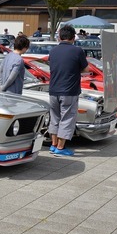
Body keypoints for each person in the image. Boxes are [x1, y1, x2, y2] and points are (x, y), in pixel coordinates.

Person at [47, 24, 88, 156]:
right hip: (69, 90)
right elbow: (86, 70)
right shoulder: (77, 51)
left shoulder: (52, 51)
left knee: (54, 118)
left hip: (53, 90)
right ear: (73, 37)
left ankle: (53, 145)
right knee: (67, 118)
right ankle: (60, 147)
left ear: (59, 37)